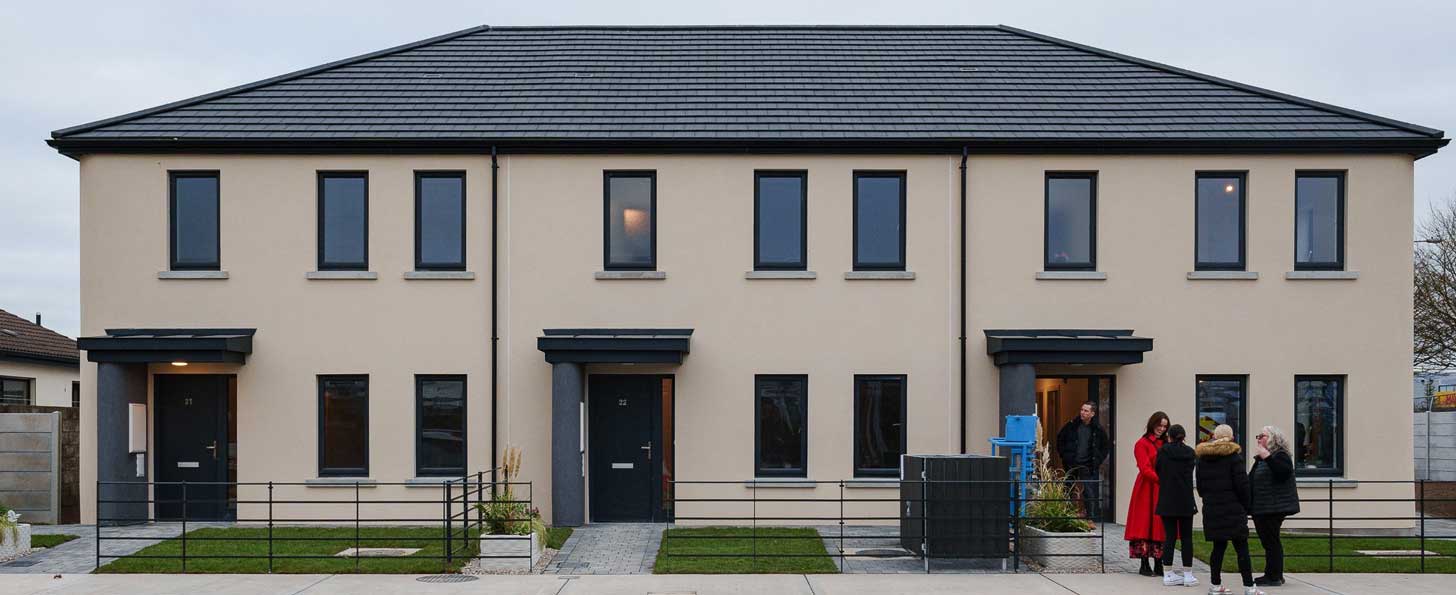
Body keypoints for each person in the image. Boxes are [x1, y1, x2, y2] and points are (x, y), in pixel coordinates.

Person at [1196, 424, 1262, 595]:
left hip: (1212, 509)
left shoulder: (1202, 459)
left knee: (1218, 548)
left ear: (1214, 437)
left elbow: (1201, 489)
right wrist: (1247, 506)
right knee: (1242, 548)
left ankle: (1215, 586)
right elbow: (1242, 486)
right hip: (1233, 509)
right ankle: (1249, 587)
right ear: (1231, 437)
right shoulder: (1234, 457)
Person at [1249, 425, 1300, 587]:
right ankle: (1273, 574)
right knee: (1269, 541)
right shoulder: (1263, 458)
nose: (1258, 439)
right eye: (1258, 436)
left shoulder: (1280, 455)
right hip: (1263, 506)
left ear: (1273, 438)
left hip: (1273, 507)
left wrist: (1267, 457)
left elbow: (1283, 473)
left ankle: (1273, 576)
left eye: (1262, 436)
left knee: (1271, 541)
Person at [1126, 411, 1169, 577]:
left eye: (1165, 426)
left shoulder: (1165, 443)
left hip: (1160, 487)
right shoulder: (1142, 443)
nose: (1161, 429)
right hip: (1147, 488)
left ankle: (1159, 563)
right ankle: (1144, 564)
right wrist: (1162, 480)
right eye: (1159, 425)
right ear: (1153, 424)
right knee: (1144, 524)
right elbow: (1144, 468)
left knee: (1159, 525)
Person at [1156, 424, 1198, 587]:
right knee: (1187, 538)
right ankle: (1188, 574)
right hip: (1186, 499)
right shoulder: (1190, 453)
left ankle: (1168, 573)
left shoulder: (1163, 452)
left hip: (1167, 499)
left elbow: (1158, 470)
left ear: (1169, 436)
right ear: (1184, 437)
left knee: (1170, 537)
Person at [1056, 400, 1109, 519]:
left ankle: (1090, 517)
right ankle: (1067, 514)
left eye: (1086, 411)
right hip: (1071, 463)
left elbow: (1105, 447)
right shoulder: (1071, 426)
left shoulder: (1098, 429)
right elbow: (1060, 439)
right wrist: (1064, 455)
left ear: (1092, 414)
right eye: (1082, 410)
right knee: (1068, 488)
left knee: (1088, 491)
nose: (1082, 413)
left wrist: (1098, 459)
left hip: (1087, 465)